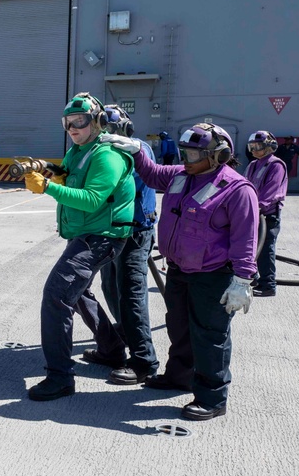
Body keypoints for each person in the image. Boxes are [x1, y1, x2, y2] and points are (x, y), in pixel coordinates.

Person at [104, 123, 258, 420]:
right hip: (178, 270)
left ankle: (212, 397)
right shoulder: (180, 176)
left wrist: (242, 279)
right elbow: (151, 174)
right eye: (184, 152)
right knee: (179, 327)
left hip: (213, 275)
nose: (186, 159)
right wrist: (137, 153)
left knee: (210, 335)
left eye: (193, 154)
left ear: (219, 155)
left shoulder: (237, 190)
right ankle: (179, 377)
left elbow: (245, 239)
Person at [21, 92, 134, 402]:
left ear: (96, 121)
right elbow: (70, 174)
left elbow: (92, 198)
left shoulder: (106, 155)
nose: (72, 128)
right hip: (86, 234)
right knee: (78, 291)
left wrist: (47, 186)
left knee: (57, 294)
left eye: (79, 121)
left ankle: (60, 376)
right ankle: (111, 349)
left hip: (101, 236)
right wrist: (50, 169)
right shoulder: (79, 150)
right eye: (67, 123)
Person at [94, 105, 159, 385]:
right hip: (112, 231)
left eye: (110, 129)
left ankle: (144, 360)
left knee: (131, 294)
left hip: (135, 232)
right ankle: (119, 343)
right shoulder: (102, 151)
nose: (106, 134)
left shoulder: (137, 148)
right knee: (110, 286)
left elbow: (120, 184)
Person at [245, 130, 287, 298]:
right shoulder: (253, 165)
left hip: (267, 215)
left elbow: (271, 192)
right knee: (249, 246)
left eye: (258, 146)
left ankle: (268, 285)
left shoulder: (276, 165)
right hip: (253, 213)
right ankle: (252, 277)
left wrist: (258, 207)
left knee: (265, 248)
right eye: (252, 146)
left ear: (269, 147)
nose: (254, 150)